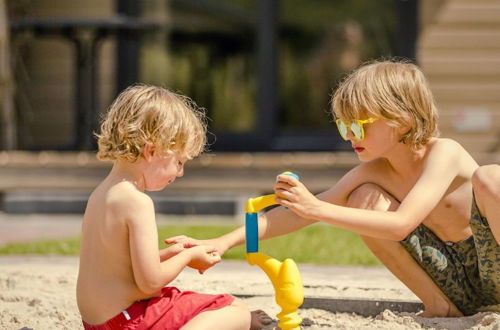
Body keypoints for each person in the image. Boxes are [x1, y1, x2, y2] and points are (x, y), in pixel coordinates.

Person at [166, 60, 500, 317]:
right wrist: (220, 242)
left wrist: (316, 208)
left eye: (358, 125)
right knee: (362, 198)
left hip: (493, 265)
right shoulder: (374, 172)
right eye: (343, 125)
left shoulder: (445, 153)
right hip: (452, 281)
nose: (349, 136)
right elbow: (295, 216)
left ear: (403, 120)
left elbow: (401, 224)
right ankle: (441, 308)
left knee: (491, 177)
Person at [76, 84, 267, 330]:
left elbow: (117, 265)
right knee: (235, 310)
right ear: (151, 150)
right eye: (179, 161)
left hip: (98, 324)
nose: (180, 172)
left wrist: (171, 254)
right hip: (129, 320)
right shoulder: (137, 202)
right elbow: (150, 282)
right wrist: (189, 256)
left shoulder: (101, 194)